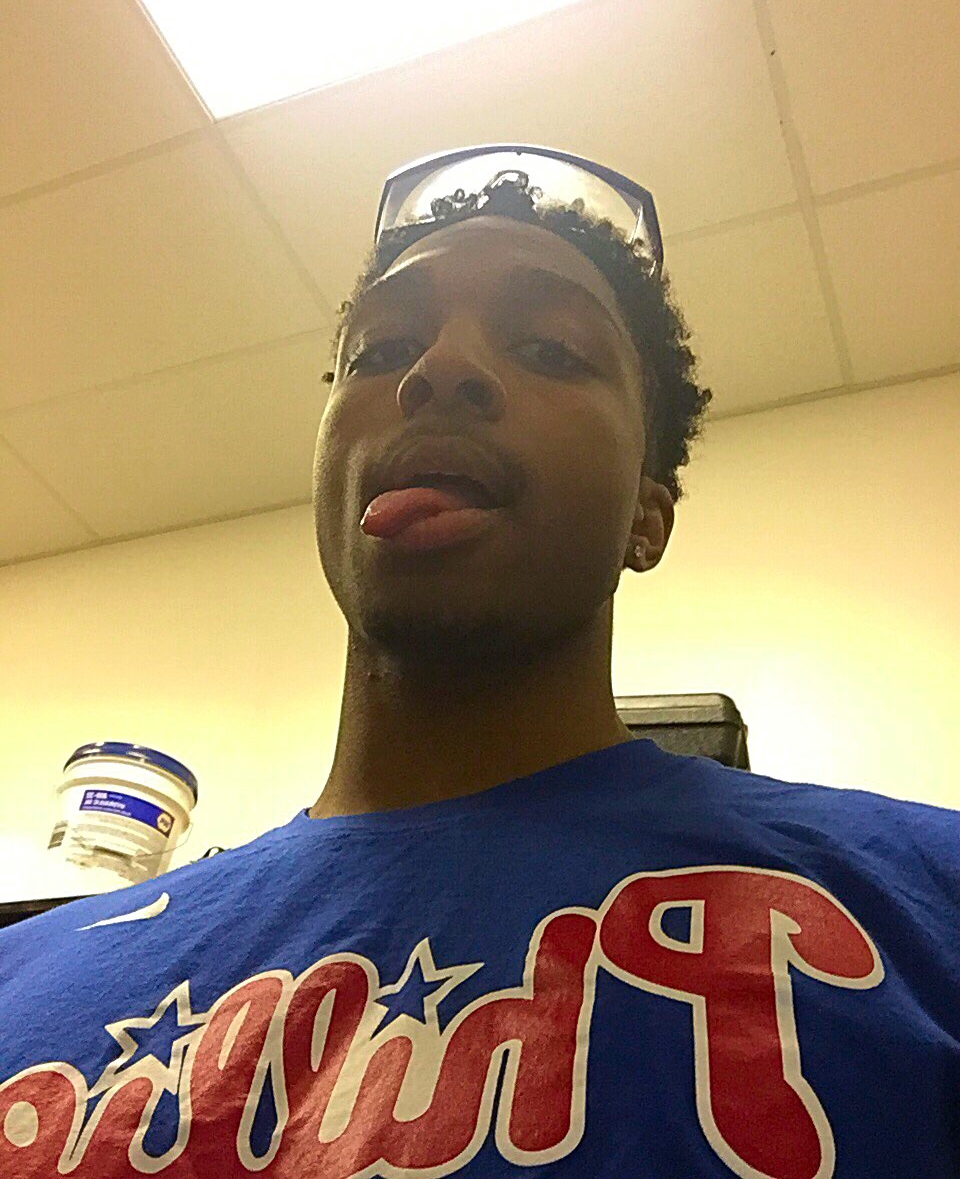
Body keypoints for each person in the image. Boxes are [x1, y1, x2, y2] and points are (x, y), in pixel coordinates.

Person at [1, 146, 957, 1179]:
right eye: (381, 349)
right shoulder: (21, 975)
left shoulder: (927, 899)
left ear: (647, 515)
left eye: (549, 347)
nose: (437, 370)